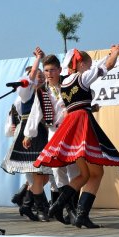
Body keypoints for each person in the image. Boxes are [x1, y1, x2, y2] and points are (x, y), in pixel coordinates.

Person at [35, 44, 119, 228]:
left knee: (85, 174)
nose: (90, 67)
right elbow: (106, 66)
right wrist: (115, 53)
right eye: (88, 64)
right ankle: (79, 213)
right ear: (81, 64)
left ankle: (59, 205)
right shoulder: (81, 78)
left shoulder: (65, 83)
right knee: (96, 173)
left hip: (71, 126)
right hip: (83, 125)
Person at [23, 48, 81, 224]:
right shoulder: (42, 91)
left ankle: (71, 208)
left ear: (60, 70)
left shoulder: (68, 85)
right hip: (54, 132)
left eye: (52, 70)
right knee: (57, 170)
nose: (49, 73)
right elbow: (36, 112)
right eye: (46, 70)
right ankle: (67, 209)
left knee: (74, 170)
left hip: (70, 132)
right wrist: (28, 134)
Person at [0, 58, 52, 221]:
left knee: (44, 176)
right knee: (37, 175)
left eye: (42, 75)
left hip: (43, 133)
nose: (41, 77)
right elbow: (27, 82)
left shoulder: (46, 93)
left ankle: (27, 204)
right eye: (37, 75)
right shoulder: (25, 94)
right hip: (30, 134)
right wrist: (37, 60)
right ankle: (42, 209)